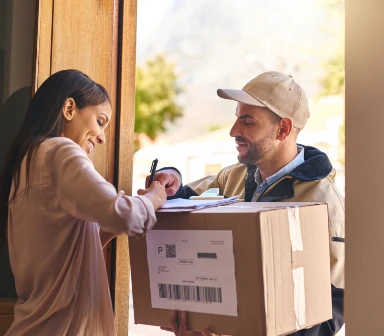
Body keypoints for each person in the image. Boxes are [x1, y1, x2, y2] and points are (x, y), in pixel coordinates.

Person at [148, 71, 345, 336]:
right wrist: (170, 179)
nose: (233, 131)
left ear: (283, 129)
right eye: (236, 119)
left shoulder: (324, 206)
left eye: (247, 122)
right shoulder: (235, 176)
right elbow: (185, 196)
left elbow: (333, 308)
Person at [0, 69, 167, 336]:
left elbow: (57, 252)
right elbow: (126, 215)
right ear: (69, 108)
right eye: (100, 121)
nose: (102, 137)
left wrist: (104, 232)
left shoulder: (29, 161)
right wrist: (155, 197)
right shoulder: (61, 151)